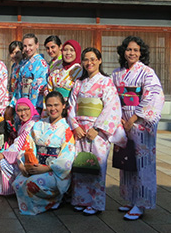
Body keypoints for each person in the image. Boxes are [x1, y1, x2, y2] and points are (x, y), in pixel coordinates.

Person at [68, 47, 126, 216]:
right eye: (86, 59)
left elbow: (111, 107)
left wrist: (97, 128)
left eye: (93, 59)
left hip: (97, 131)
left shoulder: (106, 82)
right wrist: (75, 126)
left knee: (97, 165)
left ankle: (95, 203)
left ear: (99, 60)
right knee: (80, 164)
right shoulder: (79, 83)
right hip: (80, 129)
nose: (89, 63)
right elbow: (72, 106)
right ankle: (80, 199)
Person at [112, 36, 164, 220]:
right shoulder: (117, 73)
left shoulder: (147, 73)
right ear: (123, 51)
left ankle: (141, 203)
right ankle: (129, 198)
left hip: (140, 123)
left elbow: (153, 96)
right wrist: (119, 120)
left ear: (141, 53)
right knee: (126, 161)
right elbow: (113, 98)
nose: (132, 53)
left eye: (136, 50)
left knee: (142, 162)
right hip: (122, 121)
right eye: (129, 49)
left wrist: (134, 118)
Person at [12, 92, 76, 215]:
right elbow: (28, 146)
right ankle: (33, 205)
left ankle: (55, 201)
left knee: (33, 183)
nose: (53, 109)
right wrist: (26, 164)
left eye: (56, 105)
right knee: (18, 183)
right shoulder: (38, 125)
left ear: (63, 106)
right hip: (36, 165)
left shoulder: (66, 128)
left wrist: (46, 168)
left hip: (54, 170)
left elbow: (67, 157)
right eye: (49, 105)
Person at [0, 98, 39, 195]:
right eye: (19, 110)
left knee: (3, 163)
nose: (23, 113)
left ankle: (10, 190)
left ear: (31, 108)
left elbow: (19, 144)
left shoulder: (31, 123)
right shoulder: (27, 122)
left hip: (31, 158)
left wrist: (1, 155)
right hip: (25, 154)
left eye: (26, 109)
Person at [17, 33, 48, 114]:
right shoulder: (24, 63)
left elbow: (37, 88)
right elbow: (19, 85)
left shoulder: (41, 63)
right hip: (22, 103)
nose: (27, 49)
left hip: (33, 105)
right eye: (25, 46)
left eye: (30, 45)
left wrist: (30, 107)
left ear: (37, 45)